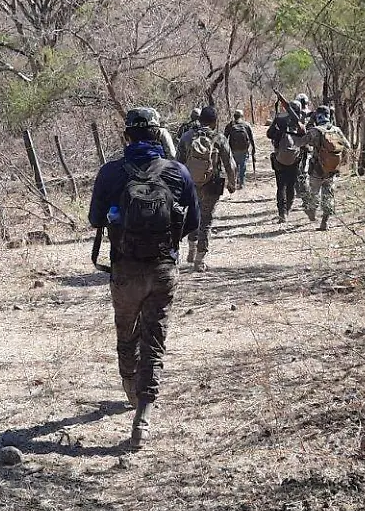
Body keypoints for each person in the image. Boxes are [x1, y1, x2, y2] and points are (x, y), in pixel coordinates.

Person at [89, 107, 200, 449]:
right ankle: (144, 415)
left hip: (124, 269)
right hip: (163, 270)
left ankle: (129, 386)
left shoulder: (110, 173)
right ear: (157, 135)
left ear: (126, 136)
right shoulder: (178, 172)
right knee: (154, 339)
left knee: (127, 334)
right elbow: (194, 223)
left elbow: (95, 219)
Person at [177, 106, 237, 272]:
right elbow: (230, 164)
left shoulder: (186, 137)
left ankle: (191, 248)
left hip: (190, 184)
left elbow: (177, 163)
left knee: (193, 215)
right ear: (214, 122)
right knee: (206, 220)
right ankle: (199, 259)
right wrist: (232, 183)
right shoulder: (219, 138)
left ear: (199, 119)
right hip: (212, 184)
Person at [302, 105, 351, 230]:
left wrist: (310, 124)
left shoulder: (315, 130)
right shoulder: (336, 130)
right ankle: (325, 222)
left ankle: (312, 210)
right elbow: (347, 145)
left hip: (317, 168)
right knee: (328, 194)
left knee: (314, 192)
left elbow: (302, 142)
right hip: (332, 169)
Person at [267, 96, 308, 223]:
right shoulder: (301, 123)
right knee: (291, 185)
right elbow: (305, 141)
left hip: (279, 157)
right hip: (295, 159)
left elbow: (269, 134)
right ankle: (288, 209)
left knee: (281, 186)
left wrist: (278, 133)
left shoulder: (280, 118)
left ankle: (282, 213)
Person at [224, 109, 256, 189]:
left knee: (234, 166)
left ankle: (234, 182)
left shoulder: (230, 125)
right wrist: (253, 149)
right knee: (242, 166)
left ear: (234, 116)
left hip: (233, 149)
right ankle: (241, 183)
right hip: (243, 149)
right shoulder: (246, 125)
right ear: (242, 116)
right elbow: (251, 138)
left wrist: (225, 150)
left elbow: (224, 138)